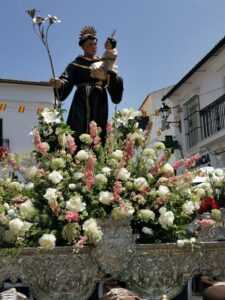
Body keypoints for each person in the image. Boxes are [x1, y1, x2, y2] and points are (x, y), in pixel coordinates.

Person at [49, 26, 123, 146]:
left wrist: (105, 77)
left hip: (99, 102)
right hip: (80, 102)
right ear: (83, 46)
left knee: (98, 133)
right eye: (90, 44)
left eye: (95, 44)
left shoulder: (103, 64)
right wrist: (59, 84)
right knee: (77, 131)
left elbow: (118, 82)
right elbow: (65, 80)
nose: (94, 47)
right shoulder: (75, 64)